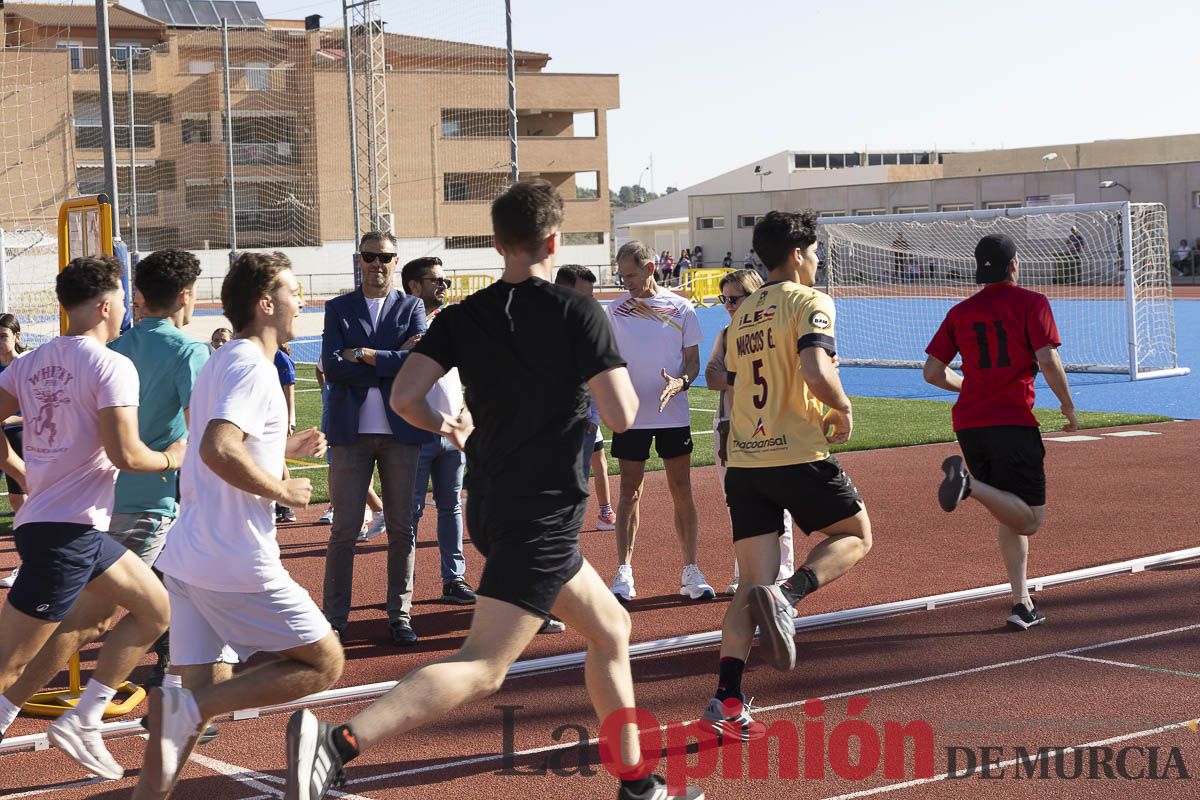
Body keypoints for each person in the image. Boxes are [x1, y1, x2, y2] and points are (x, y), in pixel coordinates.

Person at [283, 179, 701, 800]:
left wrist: (450, 427)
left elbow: (403, 396)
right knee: (483, 666)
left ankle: (636, 779)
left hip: (492, 503)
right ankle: (337, 744)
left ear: (497, 241)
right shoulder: (578, 312)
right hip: (545, 510)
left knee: (611, 628)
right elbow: (620, 415)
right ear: (552, 240)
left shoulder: (460, 316)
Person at [133, 251, 338, 797]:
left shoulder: (225, 359)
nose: (302, 303)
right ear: (266, 304)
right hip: (233, 555)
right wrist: (282, 490)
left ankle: (151, 786)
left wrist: (282, 449)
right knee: (324, 662)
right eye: (294, 292)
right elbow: (218, 447)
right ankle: (184, 707)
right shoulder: (251, 365)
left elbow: (225, 447)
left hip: (190, 555)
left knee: (200, 691)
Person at [0, 255, 184, 779]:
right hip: (63, 533)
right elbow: (127, 456)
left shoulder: (29, 362)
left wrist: (19, 469)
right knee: (6, 662)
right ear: (107, 305)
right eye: (123, 299)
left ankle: (83, 719)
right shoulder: (110, 364)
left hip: (75, 527)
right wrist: (175, 456)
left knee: (154, 608)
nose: (127, 307)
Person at [703, 211, 871, 738]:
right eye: (816, 251)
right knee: (855, 535)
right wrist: (843, 408)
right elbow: (816, 370)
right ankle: (790, 595)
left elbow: (727, 379)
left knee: (749, 582)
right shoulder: (810, 301)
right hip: (796, 452)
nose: (818, 260)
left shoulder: (741, 314)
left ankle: (727, 698)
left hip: (745, 459)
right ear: (797, 254)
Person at [925, 232, 1078, 631]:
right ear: (1014, 264)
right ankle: (969, 487)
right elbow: (1047, 358)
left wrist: (969, 386)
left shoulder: (960, 312)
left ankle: (1021, 602)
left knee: (1008, 510)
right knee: (1029, 520)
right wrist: (1067, 404)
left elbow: (932, 373)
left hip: (970, 423)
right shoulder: (1032, 302)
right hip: (1012, 420)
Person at [321, 231, 430, 645]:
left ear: (395, 261)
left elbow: (416, 362)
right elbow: (332, 367)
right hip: (350, 434)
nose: (376, 264)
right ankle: (334, 618)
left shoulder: (411, 306)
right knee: (344, 531)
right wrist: (389, 358)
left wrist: (363, 354)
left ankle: (399, 614)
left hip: (401, 432)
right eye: (369, 256)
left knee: (403, 528)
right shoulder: (338, 308)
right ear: (359, 260)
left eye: (384, 257)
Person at [607, 240, 714, 603]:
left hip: (673, 416)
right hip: (631, 416)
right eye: (622, 277)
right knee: (628, 493)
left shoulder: (682, 308)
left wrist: (681, 383)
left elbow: (693, 365)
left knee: (681, 490)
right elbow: (606, 360)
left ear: (651, 268)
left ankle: (691, 570)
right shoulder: (615, 310)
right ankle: (624, 571)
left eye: (632, 275)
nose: (627, 283)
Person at [703, 269, 794, 596]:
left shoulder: (775, 329)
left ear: (755, 295)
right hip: (730, 427)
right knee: (738, 504)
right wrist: (747, 381)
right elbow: (711, 376)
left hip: (770, 426)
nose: (728, 305)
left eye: (734, 298)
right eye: (723, 299)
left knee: (776, 499)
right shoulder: (726, 334)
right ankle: (746, 572)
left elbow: (781, 374)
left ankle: (782, 572)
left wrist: (735, 379)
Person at [399, 256, 475, 606]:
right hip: (416, 432)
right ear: (414, 286)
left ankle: (454, 578)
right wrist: (401, 350)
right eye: (437, 281)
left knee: (451, 507)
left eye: (445, 281)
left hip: (453, 432)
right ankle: (403, 582)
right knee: (410, 511)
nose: (444, 287)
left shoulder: (452, 323)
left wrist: (465, 410)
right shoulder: (399, 323)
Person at [554, 266, 616, 532]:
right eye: (585, 294)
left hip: (583, 419)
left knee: (593, 464)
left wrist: (593, 417)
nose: (591, 301)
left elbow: (597, 376)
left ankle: (603, 511)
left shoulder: (589, 325)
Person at [0, 315, 27, 590]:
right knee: (18, 503)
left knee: (22, 504)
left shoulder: (23, 366)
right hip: (2, 443)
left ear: (16, 336)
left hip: (19, 441)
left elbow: (34, 411)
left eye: (3, 336)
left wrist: (10, 419)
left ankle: (27, 563)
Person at [274, 343, 298, 524]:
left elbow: (289, 390)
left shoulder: (279, 357)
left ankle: (287, 505)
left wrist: (290, 419)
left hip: (277, 416)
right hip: (261, 415)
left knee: (277, 460)